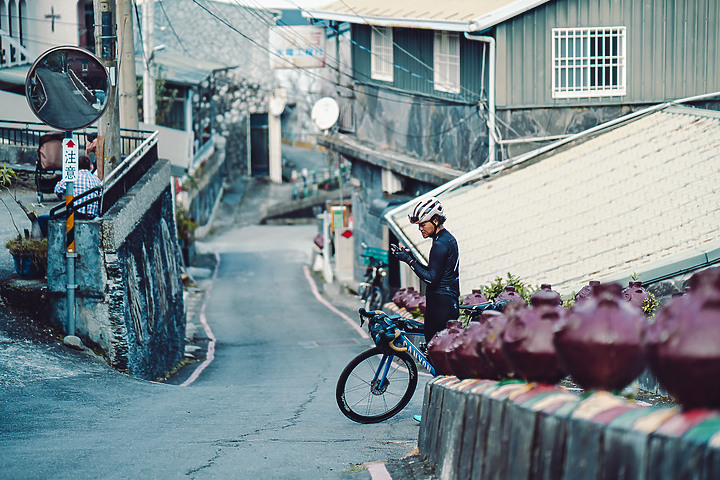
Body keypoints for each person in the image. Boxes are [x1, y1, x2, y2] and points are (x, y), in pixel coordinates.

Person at [391, 197, 460, 347]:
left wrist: (409, 261)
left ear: (435, 221)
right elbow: (434, 269)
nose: (420, 228)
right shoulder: (445, 239)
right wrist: (411, 257)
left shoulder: (440, 244)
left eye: (422, 224)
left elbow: (430, 278)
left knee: (436, 353)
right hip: (446, 303)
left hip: (441, 305)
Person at [37, 155, 101, 237]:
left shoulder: (72, 177)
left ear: (76, 166)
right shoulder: (97, 180)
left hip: (76, 215)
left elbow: (57, 190)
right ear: (90, 167)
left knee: (42, 219)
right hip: (92, 216)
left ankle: (49, 241)